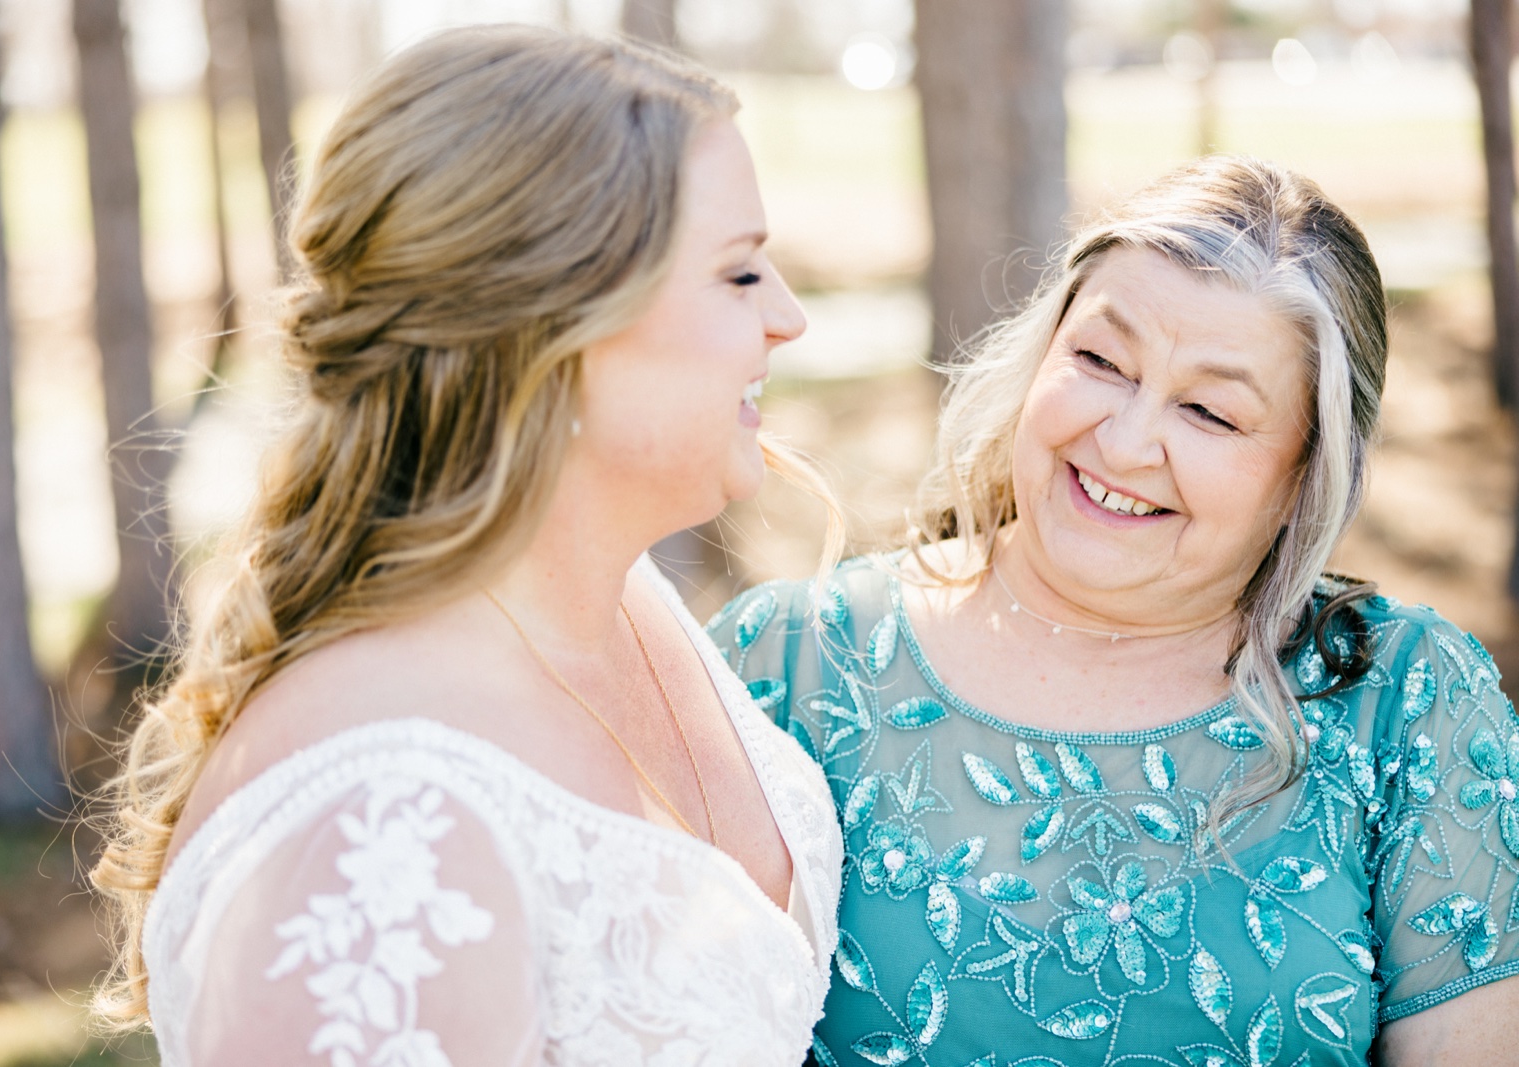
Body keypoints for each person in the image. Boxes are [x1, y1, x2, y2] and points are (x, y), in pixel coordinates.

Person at [91, 26, 844, 1066]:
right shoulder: (376, 824)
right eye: (739, 273)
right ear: (553, 331)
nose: (789, 317)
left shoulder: (624, 598)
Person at [710, 156, 1519, 1066]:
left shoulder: (1408, 703)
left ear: (1305, 475)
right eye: (1099, 360)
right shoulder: (785, 660)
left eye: (1210, 412)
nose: (1127, 440)